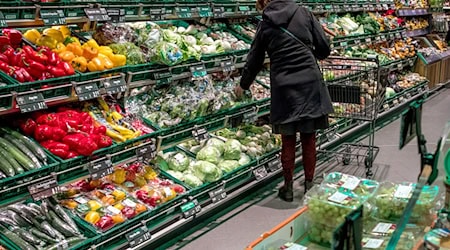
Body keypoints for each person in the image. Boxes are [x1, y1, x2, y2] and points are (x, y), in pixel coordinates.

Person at [235, 0, 334, 202]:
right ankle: (309, 185)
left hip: (283, 85)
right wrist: (310, 54)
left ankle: (288, 187)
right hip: (309, 80)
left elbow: (254, 59)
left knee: (287, 139)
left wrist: (243, 85)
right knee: (309, 137)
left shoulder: (265, 24)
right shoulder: (304, 13)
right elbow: (324, 47)